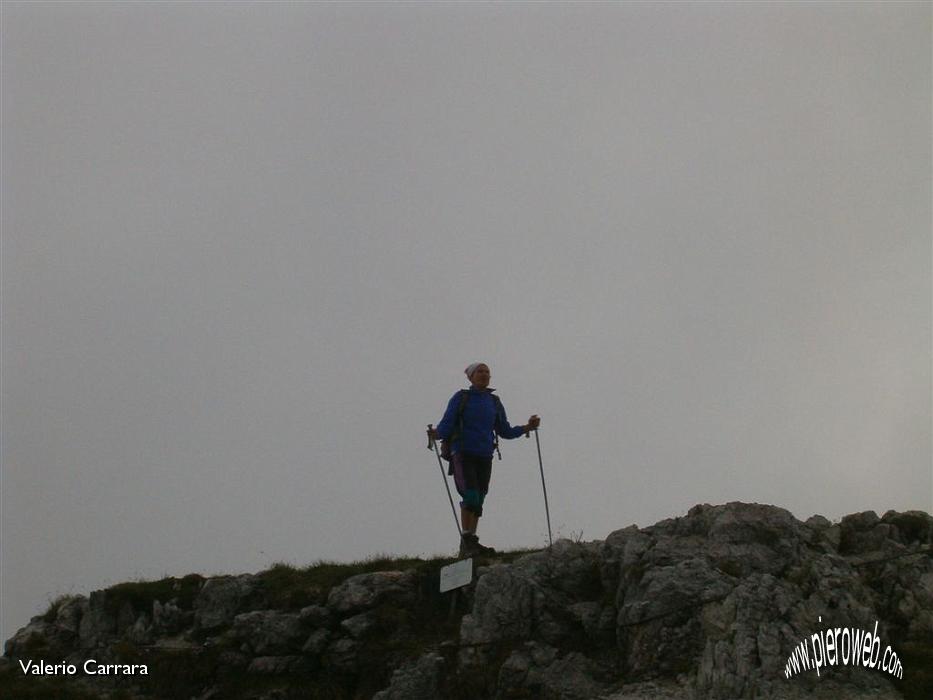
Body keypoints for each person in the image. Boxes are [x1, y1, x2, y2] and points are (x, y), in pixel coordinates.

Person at [430, 362, 540, 557]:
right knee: (471, 494)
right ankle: (467, 540)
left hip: (484, 454)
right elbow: (447, 423)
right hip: (463, 452)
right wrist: (437, 433)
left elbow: (504, 430)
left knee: (479, 497)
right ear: (471, 377)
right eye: (480, 372)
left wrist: (527, 428)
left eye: (487, 372)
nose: (484, 374)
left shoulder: (494, 402)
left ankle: (470, 541)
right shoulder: (461, 397)